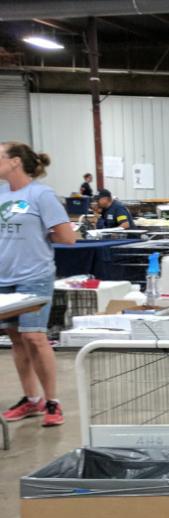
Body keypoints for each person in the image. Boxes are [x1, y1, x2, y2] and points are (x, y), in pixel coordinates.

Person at [0, 142, 77, 427]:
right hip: (3, 278)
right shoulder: (1, 194)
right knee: (17, 339)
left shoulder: (42, 195)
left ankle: (52, 401)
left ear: (15, 161)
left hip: (34, 276)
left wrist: (37, 238)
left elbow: (67, 237)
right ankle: (32, 400)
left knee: (34, 337)